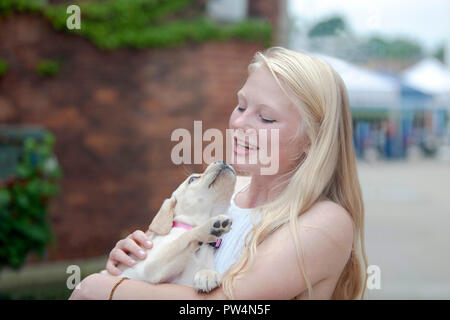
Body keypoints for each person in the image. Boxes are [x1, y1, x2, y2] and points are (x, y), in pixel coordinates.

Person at [69, 46, 368, 300]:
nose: (239, 124)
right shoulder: (224, 191)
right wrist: (131, 266)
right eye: (240, 107)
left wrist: (105, 288)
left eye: (265, 117)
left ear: (312, 140)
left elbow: (224, 302)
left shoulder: (325, 221)